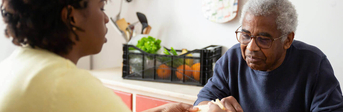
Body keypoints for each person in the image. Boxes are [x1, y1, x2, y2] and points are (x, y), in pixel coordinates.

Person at [0, 0, 198, 112]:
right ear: (71, 17)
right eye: (101, 8)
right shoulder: (65, 83)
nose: (105, 18)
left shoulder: (17, 65)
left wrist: (160, 111)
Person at [194, 0, 343, 112]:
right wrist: (211, 108)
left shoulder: (313, 63)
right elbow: (204, 98)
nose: (251, 47)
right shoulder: (232, 59)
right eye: (246, 35)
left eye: (263, 39)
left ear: (287, 40)